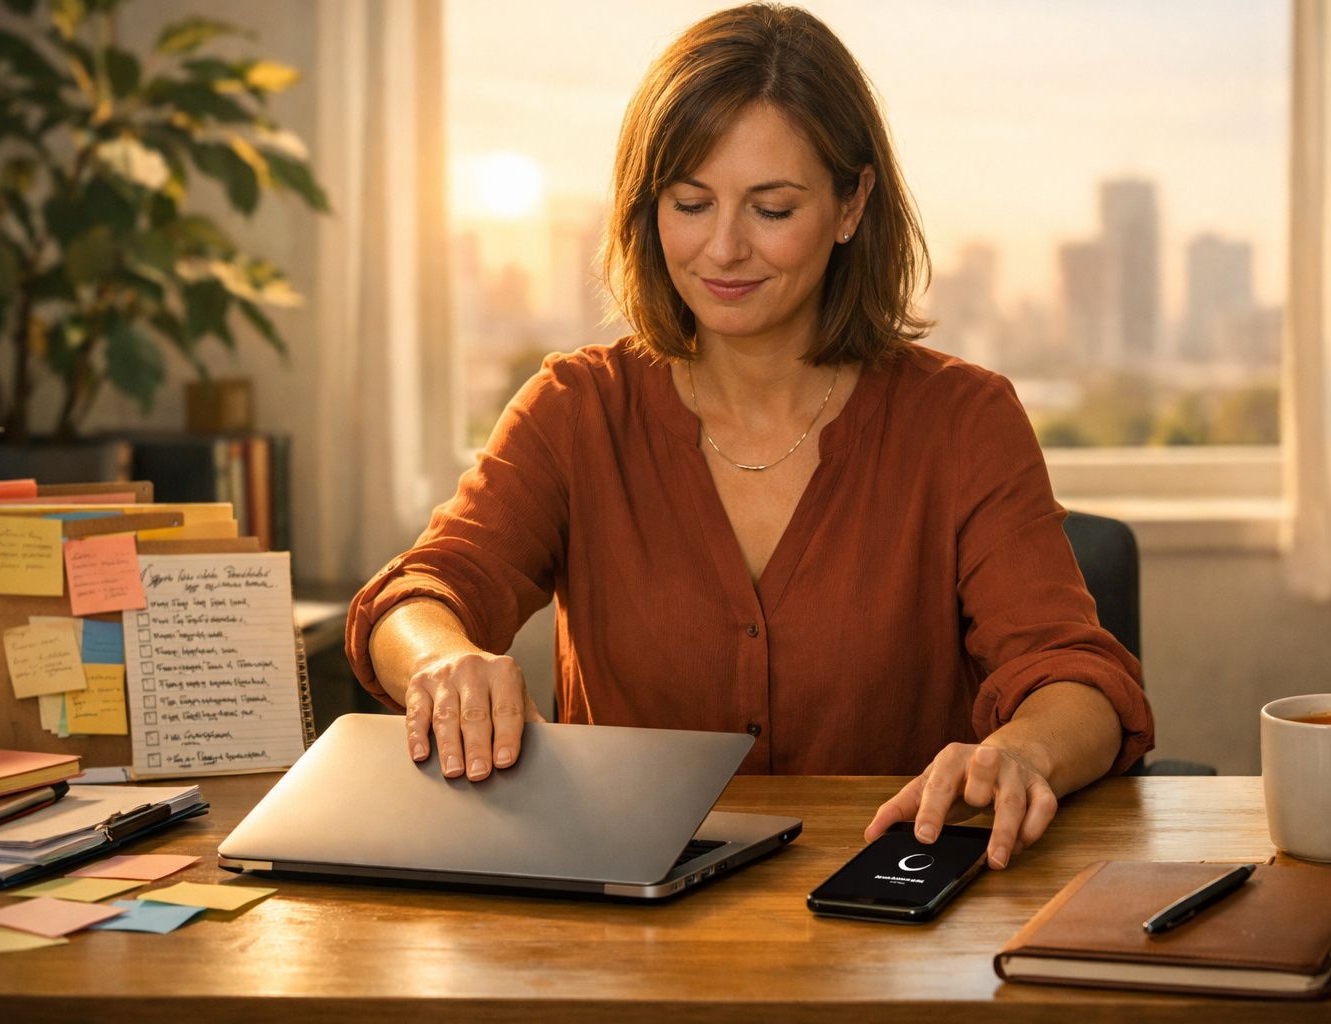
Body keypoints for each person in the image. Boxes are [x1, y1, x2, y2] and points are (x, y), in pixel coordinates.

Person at [346, 2, 1153, 872]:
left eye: (771, 208)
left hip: (888, 911)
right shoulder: (577, 409)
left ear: (852, 205)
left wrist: (1023, 752)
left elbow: (1078, 679)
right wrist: (445, 658)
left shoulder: (963, 421)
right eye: (690, 203)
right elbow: (420, 595)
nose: (723, 249)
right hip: (629, 931)